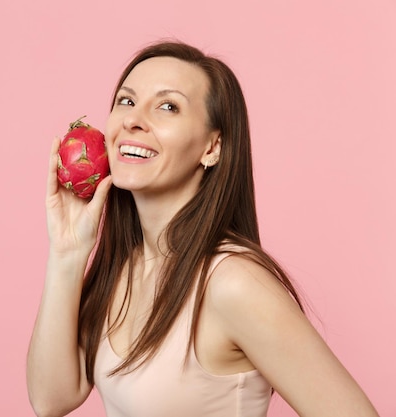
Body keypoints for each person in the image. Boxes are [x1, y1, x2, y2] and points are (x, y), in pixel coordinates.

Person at [26, 40, 379, 417]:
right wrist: (67, 253)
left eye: (168, 106)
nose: (133, 119)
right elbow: (52, 399)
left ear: (212, 147)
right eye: (126, 101)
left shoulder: (232, 282)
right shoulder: (126, 268)